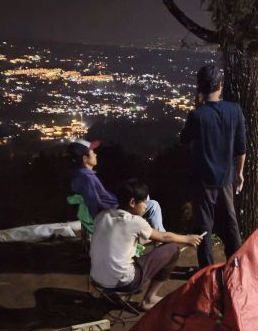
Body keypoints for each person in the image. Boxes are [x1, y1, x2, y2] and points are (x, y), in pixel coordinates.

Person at [90, 179, 203, 311]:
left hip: (97, 280)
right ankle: (149, 300)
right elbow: (165, 236)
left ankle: (115, 294)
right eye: (144, 202)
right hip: (124, 283)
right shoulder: (135, 221)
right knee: (172, 249)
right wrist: (187, 238)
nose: (146, 206)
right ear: (132, 202)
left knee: (127, 254)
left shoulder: (102, 215)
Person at [180, 64, 246, 268]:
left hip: (202, 181)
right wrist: (240, 173)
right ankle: (236, 265)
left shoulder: (197, 116)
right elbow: (241, 147)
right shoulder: (235, 110)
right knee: (231, 224)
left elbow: (184, 140)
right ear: (220, 84)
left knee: (204, 228)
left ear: (200, 87)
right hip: (226, 179)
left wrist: (196, 108)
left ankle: (206, 271)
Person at [67, 139, 165, 231]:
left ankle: (150, 233)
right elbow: (96, 205)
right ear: (85, 158)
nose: (95, 155)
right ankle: (160, 237)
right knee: (153, 205)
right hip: (113, 211)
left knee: (143, 196)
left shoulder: (82, 175)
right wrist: (119, 207)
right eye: (92, 152)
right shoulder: (87, 179)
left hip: (113, 206)